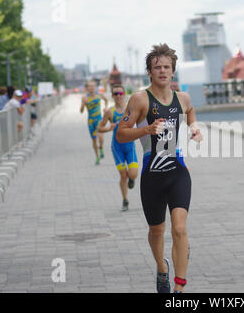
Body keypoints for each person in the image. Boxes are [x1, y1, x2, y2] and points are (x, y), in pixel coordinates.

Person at [117, 44, 203, 293]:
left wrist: (194, 127)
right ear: (150, 72)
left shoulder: (183, 98)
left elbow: (190, 111)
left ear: (173, 71)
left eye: (167, 67)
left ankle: (179, 288)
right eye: (158, 67)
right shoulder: (140, 99)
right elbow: (121, 134)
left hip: (178, 172)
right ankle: (161, 266)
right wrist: (146, 129)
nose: (163, 71)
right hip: (151, 175)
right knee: (156, 230)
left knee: (179, 228)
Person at [98, 84, 138, 211]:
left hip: (130, 146)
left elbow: (142, 121)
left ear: (124, 94)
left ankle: (132, 179)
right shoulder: (109, 112)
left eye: (120, 93)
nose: (118, 96)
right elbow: (99, 128)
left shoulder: (131, 109)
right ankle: (125, 200)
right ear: (112, 96)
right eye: (115, 94)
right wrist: (108, 128)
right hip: (117, 148)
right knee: (123, 175)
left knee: (132, 174)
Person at [80, 80, 109, 165]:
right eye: (90, 86)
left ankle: (101, 148)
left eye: (93, 86)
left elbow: (106, 100)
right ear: (87, 88)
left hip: (99, 119)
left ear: (95, 87)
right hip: (90, 121)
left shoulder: (99, 95)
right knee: (94, 140)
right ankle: (97, 157)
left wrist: (106, 108)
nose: (92, 88)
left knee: (100, 137)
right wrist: (83, 104)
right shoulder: (85, 98)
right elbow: (81, 111)